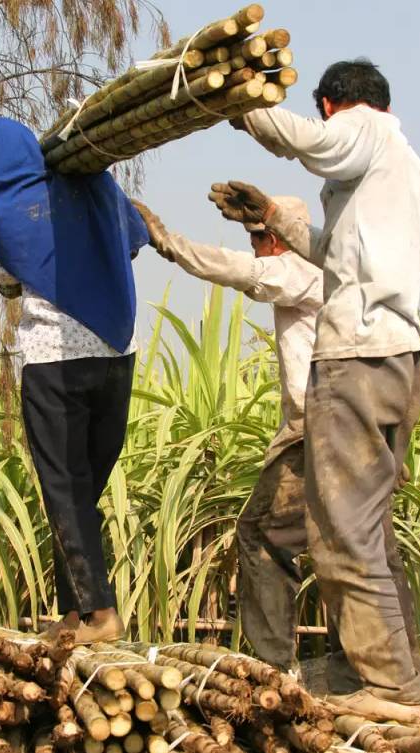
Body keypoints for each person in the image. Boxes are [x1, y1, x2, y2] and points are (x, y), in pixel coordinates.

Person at [210, 58, 420, 724]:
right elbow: (333, 252)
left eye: (322, 115)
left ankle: (391, 688)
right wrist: (274, 215)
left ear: (334, 106)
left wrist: (234, 101)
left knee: (338, 531)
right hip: (394, 356)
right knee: (366, 531)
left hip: (356, 357)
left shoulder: (364, 129)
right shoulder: (399, 171)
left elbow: (307, 141)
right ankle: (402, 683)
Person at [0, 117, 148, 644]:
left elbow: (4, 277)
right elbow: (132, 242)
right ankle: (74, 614)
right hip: (117, 354)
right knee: (82, 490)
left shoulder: (10, 212)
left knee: (64, 489)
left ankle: (100, 615)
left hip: (54, 362)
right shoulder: (101, 191)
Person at [131, 196, 323, 673]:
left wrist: (168, 243)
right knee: (346, 543)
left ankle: (277, 665)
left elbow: (241, 271)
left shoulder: (298, 270)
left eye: (257, 239)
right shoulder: (325, 273)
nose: (254, 249)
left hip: (319, 433)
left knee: (261, 533)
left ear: (276, 239)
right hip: (328, 429)